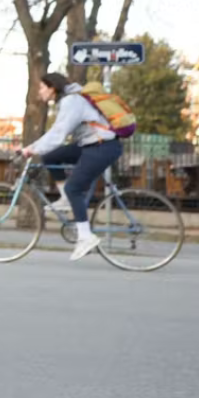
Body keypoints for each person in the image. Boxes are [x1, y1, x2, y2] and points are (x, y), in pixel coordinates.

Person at [20, 72, 123, 261]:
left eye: (42, 88)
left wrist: (31, 149)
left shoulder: (71, 101)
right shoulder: (67, 101)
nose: (40, 92)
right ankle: (67, 199)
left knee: (74, 187)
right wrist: (37, 149)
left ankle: (85, 237)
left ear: (52, 88)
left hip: (102, 146)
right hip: (90, 144)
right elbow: (57, 133)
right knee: (50, 156)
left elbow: (59, 134)